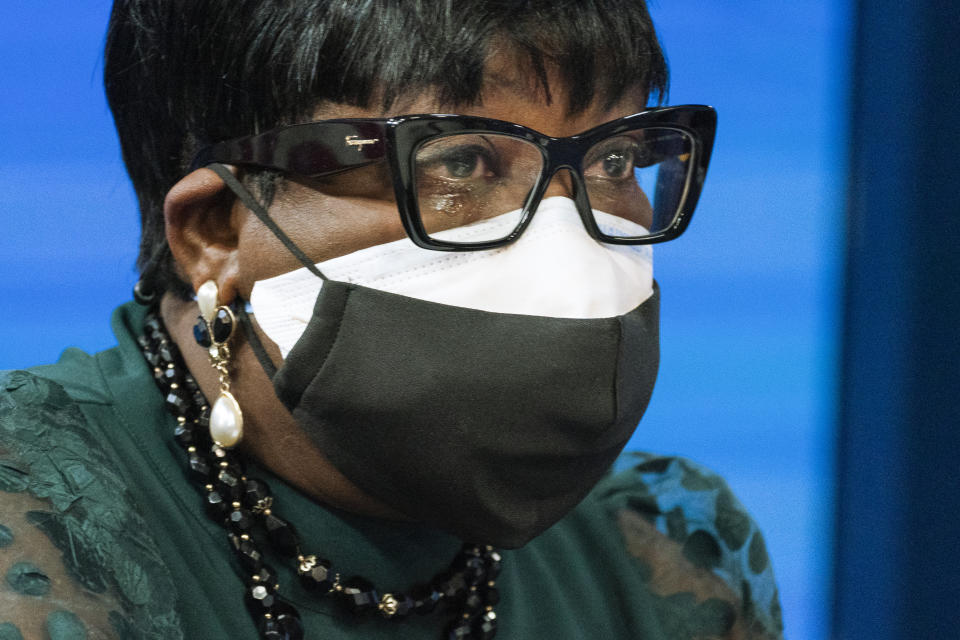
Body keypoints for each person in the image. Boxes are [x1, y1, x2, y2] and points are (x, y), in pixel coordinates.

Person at [0, 1, 784, 638]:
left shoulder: (666, 564)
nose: (569, 244)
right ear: (216, 230)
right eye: (459, 164)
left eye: (613, 162)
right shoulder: (34, 531)